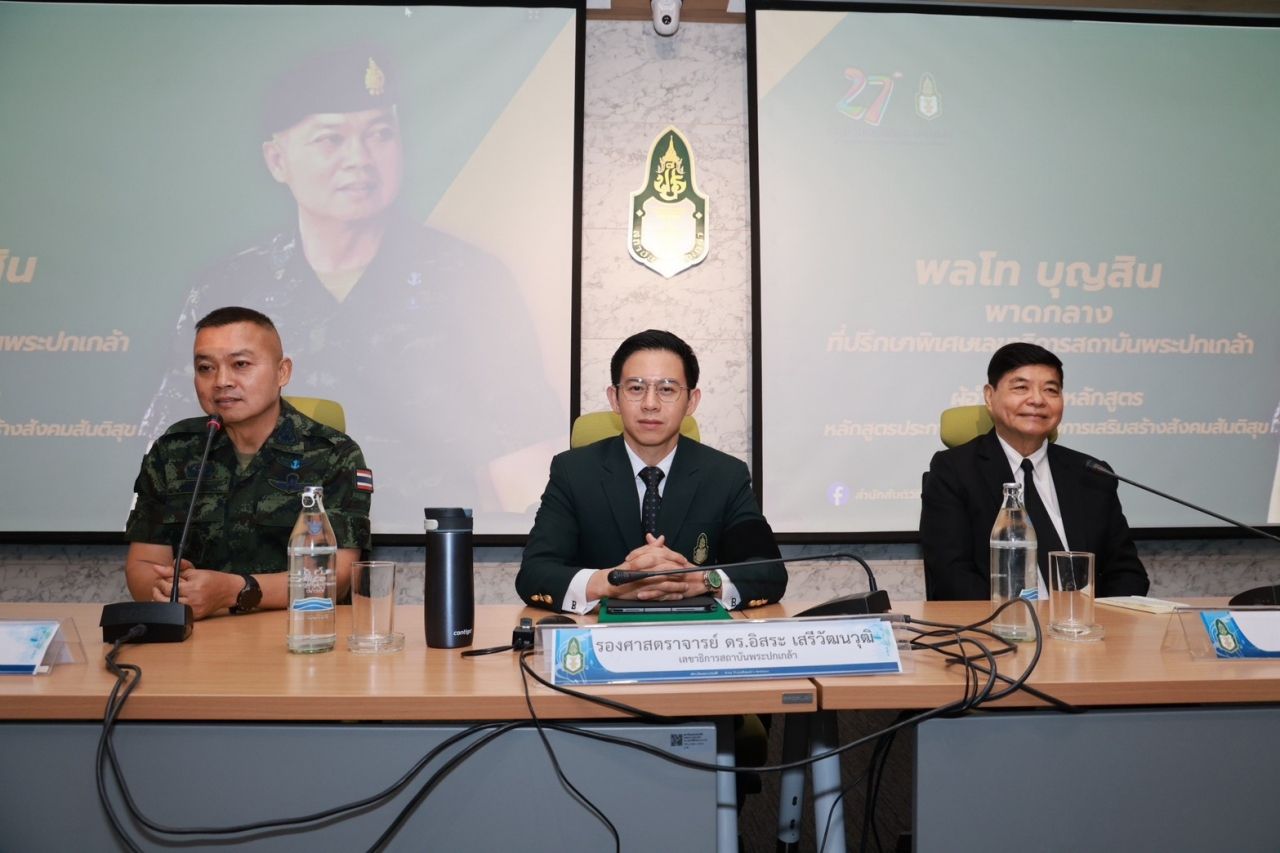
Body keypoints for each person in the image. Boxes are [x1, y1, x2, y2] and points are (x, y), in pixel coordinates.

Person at [140, 46, 559, 520]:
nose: (359, 159)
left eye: (380, 134)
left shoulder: (469, 280)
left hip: (428, 542)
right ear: (277, 159)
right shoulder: (231, 284)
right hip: (264, 545)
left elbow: (522, 455)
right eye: (330, 140)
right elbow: (174, 453)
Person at [124, 307, 371, 620]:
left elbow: (338, 575)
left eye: (240, 364)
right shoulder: (173, 451)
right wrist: (168, 592)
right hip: (200, 634)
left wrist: (234, 591)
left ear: (282, 372)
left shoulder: (333, 454)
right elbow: (143, 564)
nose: (221, 381)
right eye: (205, 368)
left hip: (301, 631)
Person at [517, 330, 787, 613]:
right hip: (600, 632)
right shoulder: (573, 473)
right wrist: (611, 582)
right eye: (636, 388)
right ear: (614, 398)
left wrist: (703, 579)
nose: (650, 403)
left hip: (693, 635)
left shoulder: (725, 476)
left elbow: (769, 571)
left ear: (692, 401)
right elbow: (535, 572)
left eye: (667, 389)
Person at [921, 342, 1150, 600]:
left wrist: (1095, 617)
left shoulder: (1091, 474)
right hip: (1000, 622)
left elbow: (1127, 573)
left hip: (1084, 622)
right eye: (1021, 387)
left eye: (1051, 390)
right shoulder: (953, 472)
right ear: (989, 396)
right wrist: (1017, 618)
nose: (1037, 400)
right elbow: (951, 576)